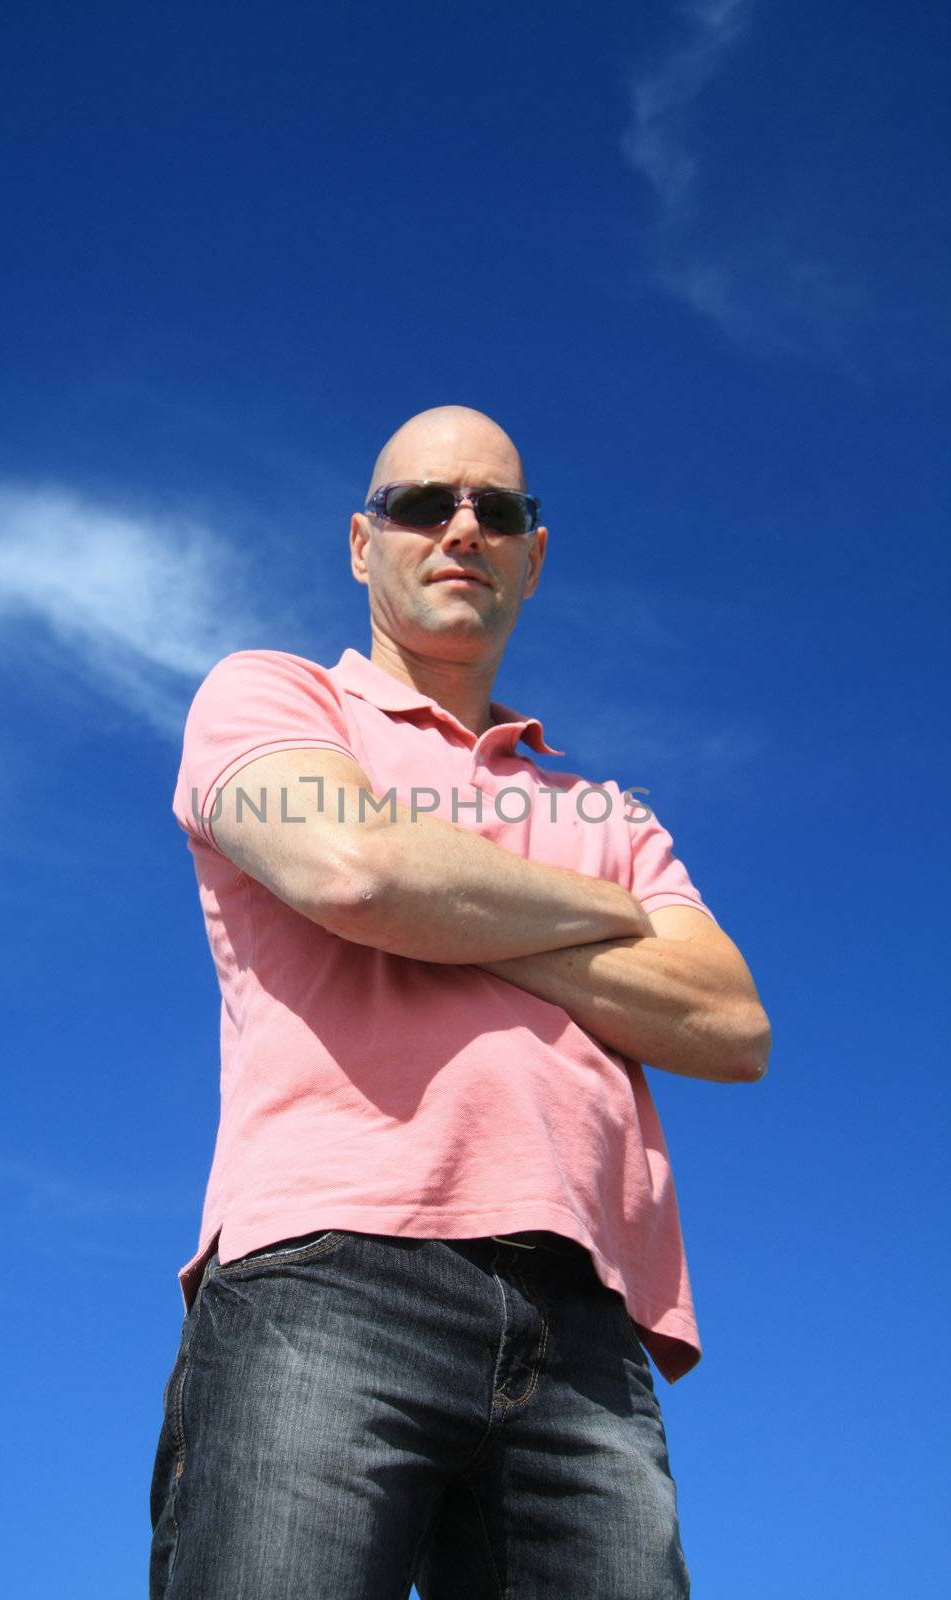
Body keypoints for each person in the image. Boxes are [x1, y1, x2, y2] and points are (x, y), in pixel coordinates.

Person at [149, 404, 771, 1600]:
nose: (462, 529)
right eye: (423, 504)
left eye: (499, 510)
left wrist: (453, 910)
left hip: (586, 1321)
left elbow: (730, 1023)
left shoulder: (607, 807)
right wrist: (601, 914)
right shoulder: (271, 698)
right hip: (328, 1268)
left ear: (535, 555)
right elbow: (353, 868)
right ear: (360, 541)